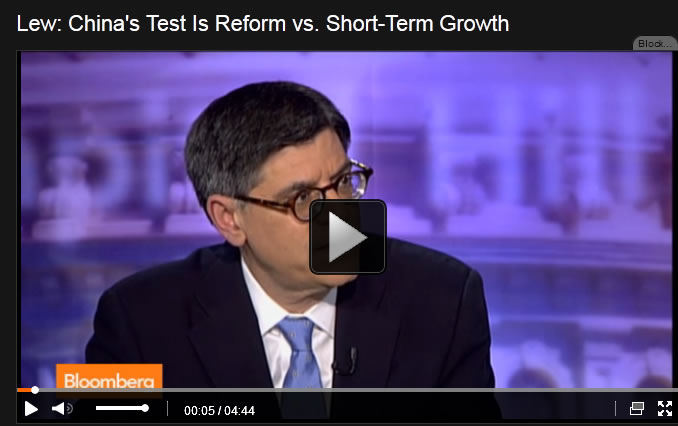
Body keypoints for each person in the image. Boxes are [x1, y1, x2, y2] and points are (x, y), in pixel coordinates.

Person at [85, 81, 495, 390]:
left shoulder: (443, 299)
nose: (341, 217)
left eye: (344, 182)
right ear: (229, 219)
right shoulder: (137, 320)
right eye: (303, 199)